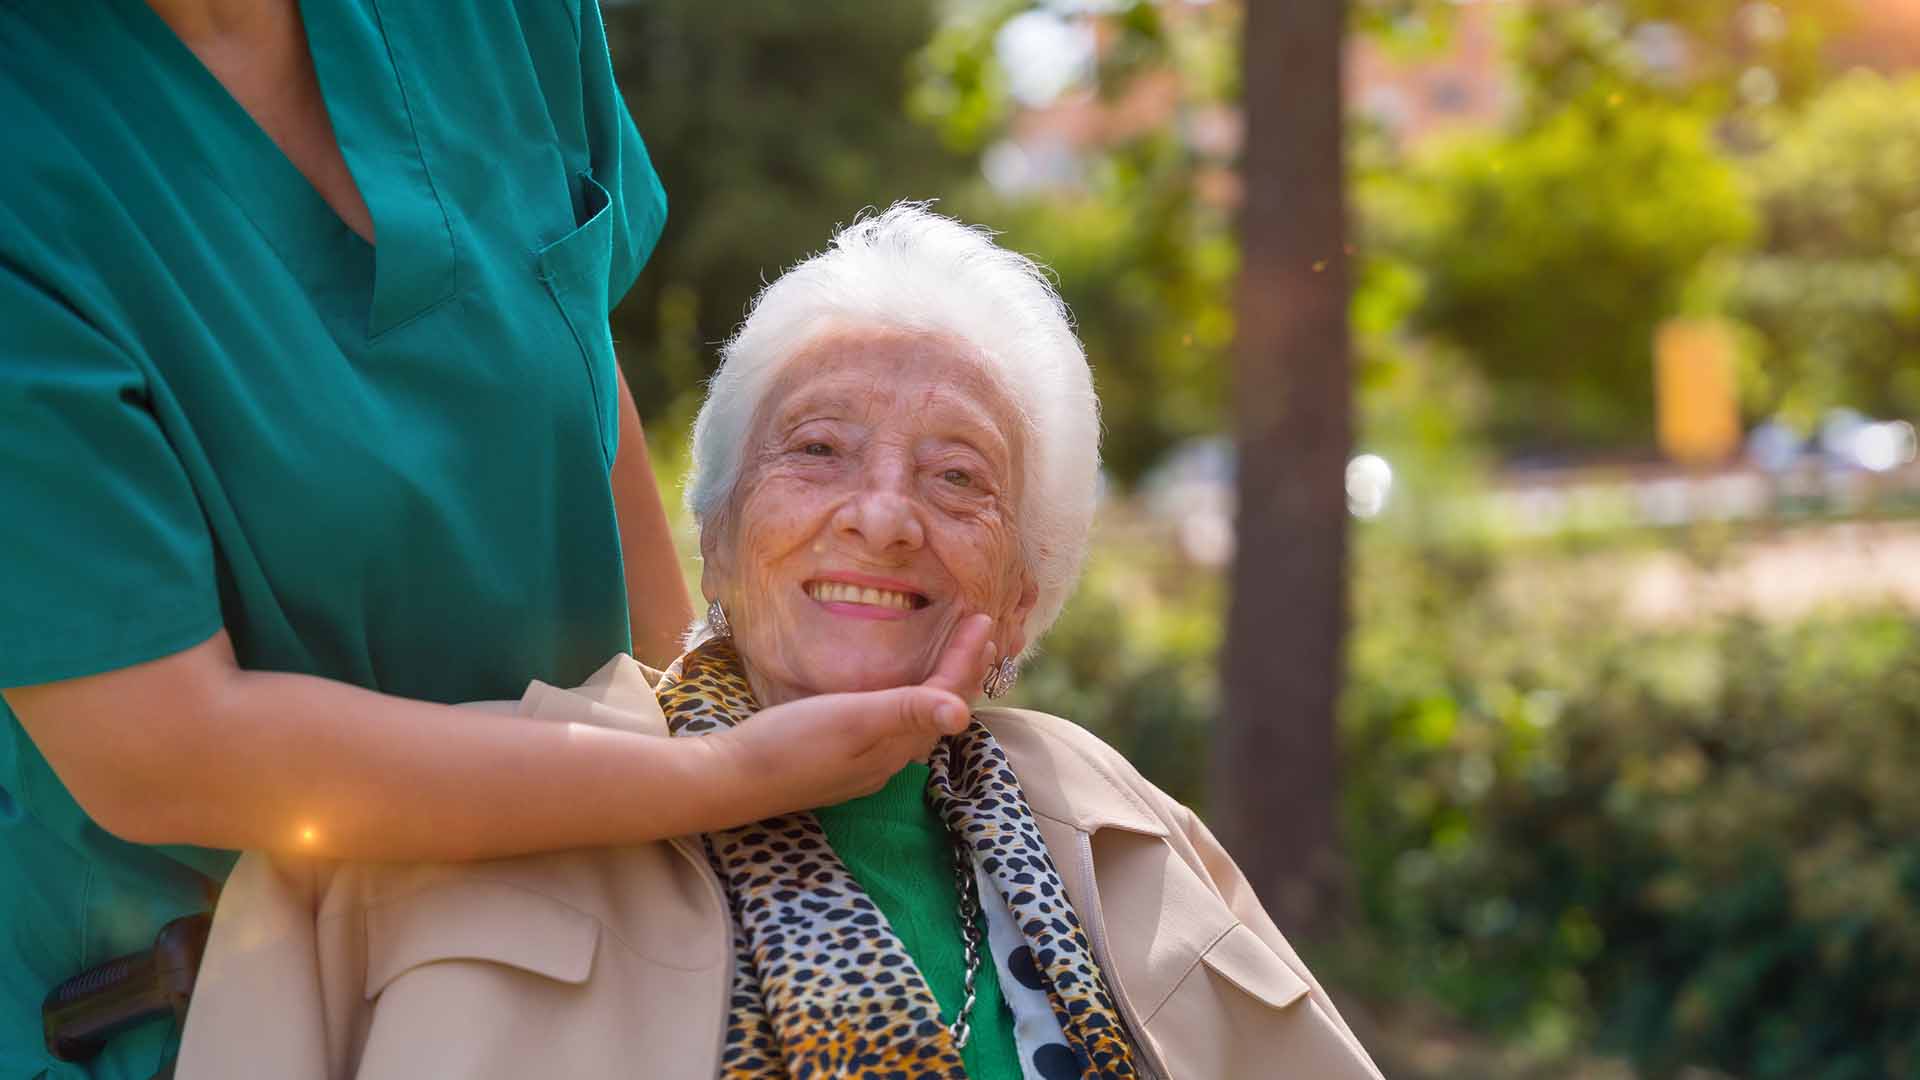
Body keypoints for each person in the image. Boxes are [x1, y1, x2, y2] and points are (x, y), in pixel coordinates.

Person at [173, 205, 1384, 1080]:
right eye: (817, 450)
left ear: (1021, 597)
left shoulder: (1131, 836)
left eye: (958, 476)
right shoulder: (427, 818)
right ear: (718, 540)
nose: (882, 513)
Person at [0, 6, 983, 1077]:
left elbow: (572, 358)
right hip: (223, 1012)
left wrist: (702, 706)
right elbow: (165, 751)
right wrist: (718, 779)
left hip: (591, 946)